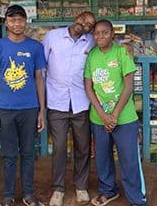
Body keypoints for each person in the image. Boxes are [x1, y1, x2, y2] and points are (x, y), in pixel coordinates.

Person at [0, 4, 47, 206]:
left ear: (25, 22)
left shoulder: (35, 47)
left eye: (20, 19)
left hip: (29, 109)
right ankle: (8, 195)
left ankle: (29, 194)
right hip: (5, 110)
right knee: (9, 154)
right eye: (12, 20)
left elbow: (39, 79)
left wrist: (41, 111)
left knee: (29, 153)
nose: (17, 23)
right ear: (6, 23)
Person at [84, 20, 146, 206]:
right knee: (103, 159)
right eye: (96, 33)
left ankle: (137, 199)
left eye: (104, 33)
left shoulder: (121, 53)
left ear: (112, 34)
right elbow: (88, 87)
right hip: (98, 119)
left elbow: (128, 85)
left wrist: (115, 114)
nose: (100, 36)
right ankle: (108, 191)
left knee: (129, 160)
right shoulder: (92, 56)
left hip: (125, 119)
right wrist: (103, 116)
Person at [43, 11, 97, 206]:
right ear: (76, 17)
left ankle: (81, 186)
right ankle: (58, 189)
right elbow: (41, 67)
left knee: (82, 146)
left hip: (81, 102)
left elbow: (109, 46)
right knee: (58, 148)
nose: (84, 24)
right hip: (56, 102)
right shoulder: (52, 36)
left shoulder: (90, 41)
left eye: (89, 24)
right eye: (83, 19)